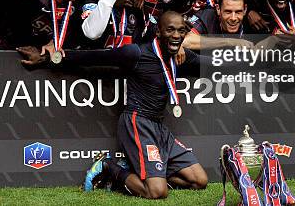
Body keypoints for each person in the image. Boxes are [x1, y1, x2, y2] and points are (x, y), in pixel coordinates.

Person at [81, 11, 208, 199]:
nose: (176, 35)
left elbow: (213, 63)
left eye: (181, 31)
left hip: (159, 128)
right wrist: (56, 58)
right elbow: (95, 58)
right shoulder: (137, 53)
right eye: (170, 30)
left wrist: (257, 59)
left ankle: (145, 172)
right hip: (137, 122)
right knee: (157, 192)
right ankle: (109, 167)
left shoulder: (181, 56)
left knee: (199, 180)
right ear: (158, 31)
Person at [183, 0, 255, 50]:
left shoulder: (254, 20)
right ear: (218, 9)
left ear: (245, 9)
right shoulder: (206, 16)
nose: (233, 18)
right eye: (228, 12)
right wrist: (230, 42)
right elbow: (186, 40)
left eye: (238, 12)